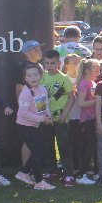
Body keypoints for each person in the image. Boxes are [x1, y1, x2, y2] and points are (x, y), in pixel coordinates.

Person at [15, 63, 56, 190]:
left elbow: (45, 105)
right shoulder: (26, 92)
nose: (33, 78)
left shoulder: (42, 89)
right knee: (38, 152)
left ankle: (24, 172)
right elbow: (23, 113)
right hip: (25, 126)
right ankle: (39, 182)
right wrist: (41, 119)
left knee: (40, 150)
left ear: (41, 75)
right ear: (25, 78)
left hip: (37, 125)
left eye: (35, 74)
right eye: (29, 76)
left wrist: (48, 115)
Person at [41, 50, 77, 186]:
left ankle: (68, 174)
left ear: (59, 63)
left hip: (60, 118)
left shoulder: (64, 79)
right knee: (48, 145)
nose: (49, 66)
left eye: (52, 63)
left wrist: (64, 114)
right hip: (46, 118)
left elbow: (71, 97)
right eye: (47, 63)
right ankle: (51, 170)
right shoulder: (42, 77)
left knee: (63, 146)